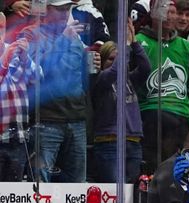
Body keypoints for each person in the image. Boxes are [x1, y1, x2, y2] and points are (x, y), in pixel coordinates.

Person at [28, 0, 96, 183]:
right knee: (40, 182)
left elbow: (83, 78)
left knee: (78, 184)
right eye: (60, 9)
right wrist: (63, 40)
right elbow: (38, 70)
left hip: (76, 120)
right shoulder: (34, 36)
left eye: (67, 9)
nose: (65, 13)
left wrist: (94, 63)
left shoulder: (75, 39)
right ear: (47, 9)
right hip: (46, 121)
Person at [136, 0, 189, 174]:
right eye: (164, 10)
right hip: (148, 116)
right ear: (152, 12)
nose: (169, 15)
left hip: (180, 117)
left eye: (173, 11)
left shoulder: (187, 47)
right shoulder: (138, 42)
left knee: (175, 173)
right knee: (150, 172)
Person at [91, 19, 151, 184]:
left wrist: (134, 42)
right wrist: (124, 44)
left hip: (133, 141)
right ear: (103, 62)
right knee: (112, 193)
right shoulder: (101, 79)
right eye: (111, 59)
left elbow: (146, 68)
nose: (117, 62)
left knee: (131, 194)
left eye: (118, 58)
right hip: (109, 143)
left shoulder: (129, 79)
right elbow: (116, 70)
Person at [0, 12, 39, 183]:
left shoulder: (15, 49)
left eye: (1, 28)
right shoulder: (9, 52)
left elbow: (38, 78)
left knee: (15, 194)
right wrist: (3, 62)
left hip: (18, 136)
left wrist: (25, 58)